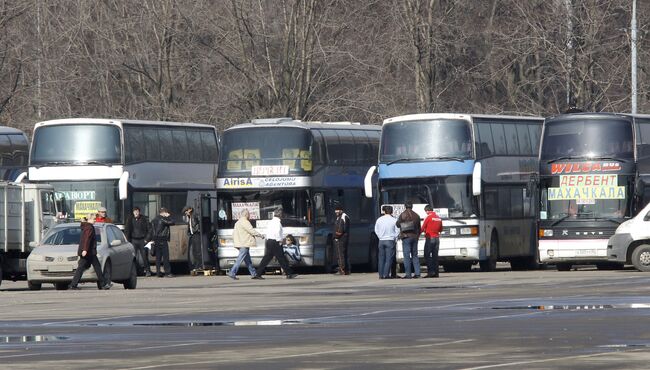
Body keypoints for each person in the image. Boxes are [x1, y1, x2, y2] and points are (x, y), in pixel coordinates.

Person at [69, 214, 112, 290]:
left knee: (83, 268)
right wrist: (85, 250)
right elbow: (87, 239)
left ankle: (73, 284)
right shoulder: (89, 228)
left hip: (88, 251)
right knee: (96, 267)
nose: (95, 220)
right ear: (89, 219)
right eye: (94, 219)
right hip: (89, 252)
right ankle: (103, 284)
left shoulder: (85, 226)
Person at [253, 208, 297, 279]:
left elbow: (268, 232)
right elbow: (277, 232)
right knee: (281, 258)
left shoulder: (271, 222)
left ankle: (258, 273)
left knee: (266, 258)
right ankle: (289, 273)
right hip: (275, 242)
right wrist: (280, 240)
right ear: (280, 215)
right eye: (282, 215)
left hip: (269, 241)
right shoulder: (277, 223)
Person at [229, 209, 264, 280]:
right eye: (249, 214)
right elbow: (251, 231)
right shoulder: (245, 222)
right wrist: (260, 235)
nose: (249, 216)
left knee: (248, 260)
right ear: (246, 215)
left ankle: (254, 274)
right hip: (244, 243)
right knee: (240, 259)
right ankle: (232, 272)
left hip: (240, 243)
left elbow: (233, 234)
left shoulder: (237, 222)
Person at [124, 207, 152, 276]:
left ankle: (148, 271)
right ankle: (134, 272)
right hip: (133, 240)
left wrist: (147, 239)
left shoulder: (144, 219)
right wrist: (128, 241)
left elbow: (150, 230)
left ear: (139, 212)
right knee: (133, 256)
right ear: (133, 212)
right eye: (134, 211)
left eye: (137, 211)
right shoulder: (130, 219)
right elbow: (127, 231)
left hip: (142, 240)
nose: (136, 213)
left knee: (144, 256)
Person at [396, 202, 421, 279]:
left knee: (406, 256)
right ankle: (417, 273)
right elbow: (419, 228)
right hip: (414, 237)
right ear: (412, 206)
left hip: (406, 237)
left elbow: (397, 224)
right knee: (415, 255)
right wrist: (417, 236)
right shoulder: (417, 215)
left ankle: (408, 274)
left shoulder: (403, 214)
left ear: (405, 206)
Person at [374, 205, 399, 279]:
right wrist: (394, 237)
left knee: (381, 258)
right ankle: (386, 274)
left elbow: (376, 230)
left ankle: (381, 275)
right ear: (391, 211)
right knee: (389, 258)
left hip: (381, 241)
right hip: (390, 240)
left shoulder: (379, 219)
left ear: (384, 211)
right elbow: (398, 230)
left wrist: (380, 236)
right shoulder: (394, 220)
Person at [151, 207, 175, 277]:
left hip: (156, 239)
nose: (167, 213)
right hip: (163, 239)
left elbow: (152, 230)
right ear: (163, 212)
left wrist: (152, 239)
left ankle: (158, 272)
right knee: (165, 257)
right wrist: (169, 216)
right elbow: (172, 222)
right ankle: (167, 272)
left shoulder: (154, 220)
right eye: (166, 212)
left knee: (158, 257)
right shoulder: (163, 219)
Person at [421, 204, 443, 278]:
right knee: (435, 256)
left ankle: (431, 272)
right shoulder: (438, 218)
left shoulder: (428, 217)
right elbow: (441, 229)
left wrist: (418, 234)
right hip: (437, 238)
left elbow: (422, 227)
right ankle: (436, 273)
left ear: (426, 211)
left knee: (427, 255)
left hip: (430, 238)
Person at [183, 206, 202, 272]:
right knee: (194, 251)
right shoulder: (190, 217)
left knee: (197, 250)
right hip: (193, 235)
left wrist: (196, 231)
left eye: (186, 211)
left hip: (196, 234)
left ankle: (199, 265)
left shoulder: (194, 216)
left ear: (190, 210)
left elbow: (198, 224)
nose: (186, 213)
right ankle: (197, 265)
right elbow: (190, 227)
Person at [333, 205, 351, 275]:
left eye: (337, 210)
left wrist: (336, 237)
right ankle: (347, 269)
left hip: (340, 239)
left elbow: (340, 230)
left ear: (341, 210)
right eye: (336, 211)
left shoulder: (342, 218)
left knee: (340, 255)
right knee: (345, 254)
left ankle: (342, 269)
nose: (336, 212)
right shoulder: (343, 217)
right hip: (344, 238)